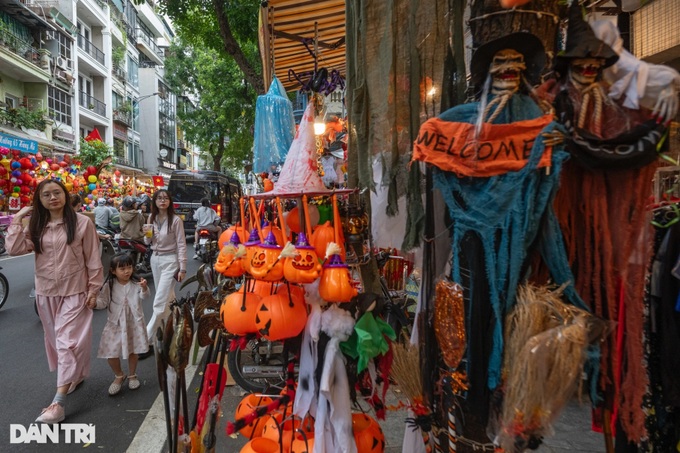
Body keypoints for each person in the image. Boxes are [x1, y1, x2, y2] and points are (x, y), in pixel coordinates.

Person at [7, 179, 103, 423]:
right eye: (46, 194)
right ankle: (75, 376)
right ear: (39, 200)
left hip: (76, 291)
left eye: (57, 192)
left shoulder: (82, 223)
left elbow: (93, 259)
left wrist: (94, 289)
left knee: (66, 342)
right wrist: (17, 220)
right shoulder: (37, 226)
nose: (52, 198)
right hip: (46, 293)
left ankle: (58, 404)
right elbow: (16, 249)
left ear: (65, 195)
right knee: (56, 341)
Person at [139, 189, 187, 359]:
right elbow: (147, 242)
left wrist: (182, 268)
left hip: (171, 261)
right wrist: (147, 235)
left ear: (170, 201)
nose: (162, 201)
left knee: (159, 301)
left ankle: (145, 340)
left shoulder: (175, 221)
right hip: (155, 260)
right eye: (159, 198)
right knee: (168, 296)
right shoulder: (151, 218)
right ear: (155, 201)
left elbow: (182, 244)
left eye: (166, 198)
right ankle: (175, 326)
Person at [95, 253, 149, 395]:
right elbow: (103, 302)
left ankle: (132, 375)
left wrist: (144, 288)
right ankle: (119, 375)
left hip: (133, 323)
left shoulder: (136, 283)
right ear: (113, 271)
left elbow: (145, 296)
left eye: (129, 267)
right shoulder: (109, 285)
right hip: (115, 323)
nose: (127, 271)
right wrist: (93, 302)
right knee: (110, 353)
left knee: (133, 351)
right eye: (122, 268)